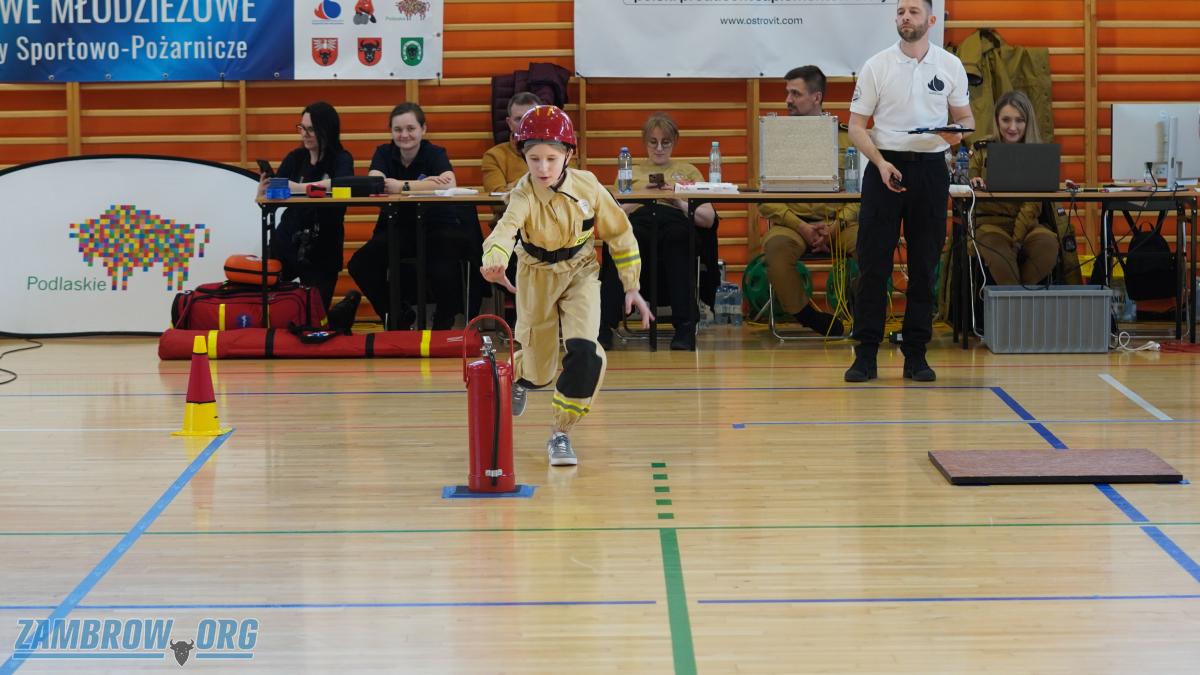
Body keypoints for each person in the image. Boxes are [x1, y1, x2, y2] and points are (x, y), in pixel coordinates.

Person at [479, 106, 653, 467]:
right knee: (540, 370)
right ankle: (521, 378)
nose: (543, 168)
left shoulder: (588, 186)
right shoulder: (522, 194)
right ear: (524, 157)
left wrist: (632, 286)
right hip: (536, 277)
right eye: (534, 159)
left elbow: (620, 233)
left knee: (587, 354)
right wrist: (494, 260)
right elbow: (504, 232)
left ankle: (561, 433)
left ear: (568, 155)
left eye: (551, 159)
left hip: (580, 273)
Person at [844, 0, 974, 383]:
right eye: (901, 11)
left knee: (924, 266)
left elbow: (966, 119)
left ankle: (916, 355)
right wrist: (880, 163)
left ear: (930, 20)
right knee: (873, 266)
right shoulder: (877, 65)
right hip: (885, 166)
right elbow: (856, 127)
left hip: (931, 169)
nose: (905, 17)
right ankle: (865, 355)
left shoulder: (950, 66)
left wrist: (955, 134)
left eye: (913, 11)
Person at [347, 102, 480, 329]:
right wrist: (427, 183)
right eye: (398, 129)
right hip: (398, 227)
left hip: (437, 227)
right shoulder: (383, 152)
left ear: (423, 129)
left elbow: (450, 183)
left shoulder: (435, 153)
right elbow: (375, 183)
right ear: (391, 131)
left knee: (443, 266)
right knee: (360, 264)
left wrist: (400, 186)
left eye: (411, 128)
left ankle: (443, 322)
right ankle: (397, 314)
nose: (404, 135)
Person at [598, 112, 717, 351]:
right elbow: (613, 216)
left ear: (674, 142)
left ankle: (685, 327)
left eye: (666, 142)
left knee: (678, 240)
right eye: (653, 142)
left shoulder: (689, 171)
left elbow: (708, 218)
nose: (659, 148)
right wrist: (643, 195)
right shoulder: (629, 172)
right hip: (640, 219)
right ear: (645, 142)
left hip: (675, 219)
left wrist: (676, 199)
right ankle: (604, 326)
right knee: (623, 244)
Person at [758, 66, 860, 336]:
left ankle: (864, 313)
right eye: (787, 93)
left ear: (817, 97)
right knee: (775, 250)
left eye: (795, 93)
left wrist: (837, 226)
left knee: (872, 243)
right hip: (793, 224)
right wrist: (801, 226)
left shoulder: (847, 138)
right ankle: (807, 315)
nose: (787, 100)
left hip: (840, 224)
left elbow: (862, 193)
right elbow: (763, 199)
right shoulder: (776, 138)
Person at [260, 101, 354, 314]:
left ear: (327, 130)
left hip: (323, 248)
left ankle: (340, 315)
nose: (305, 134)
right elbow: (276, 192)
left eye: (311, 129)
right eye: (302, 128)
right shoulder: (295, 158)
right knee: (269, 305)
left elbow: (343, 185)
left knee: (314, 315)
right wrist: (264, 193)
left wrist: (298, 188)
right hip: (287, 242)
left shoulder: (341, 159)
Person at [967, 90, 1059, 285]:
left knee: (1048, 246)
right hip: (989, 224)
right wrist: (973, 183)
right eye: (1006, 120)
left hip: (1028, 225)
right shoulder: (981, 149)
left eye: (1019, 120)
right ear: (997, 120)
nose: (1012, 127)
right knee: (998, 253)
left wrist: (1016, 241)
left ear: (1028, 122)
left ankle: (1015, 298)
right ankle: (1018, 300)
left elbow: (1032, 206)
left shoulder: (1038, 155)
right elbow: (969, 182)